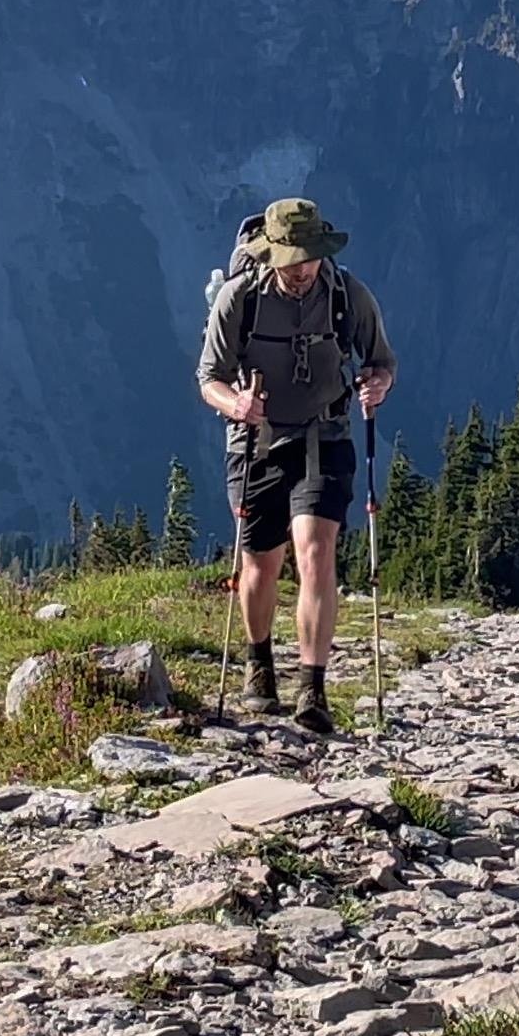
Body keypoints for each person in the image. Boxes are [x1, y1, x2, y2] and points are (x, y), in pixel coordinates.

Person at [196, 196, 394, 731]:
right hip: (257, 441)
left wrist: (378, 383)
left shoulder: (346, 295)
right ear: (271, 253)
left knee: (315, 549)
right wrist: (236, 404)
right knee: (262, 562)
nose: (303, 268)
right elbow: (209, 378)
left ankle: (313, 688)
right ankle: (259, 664)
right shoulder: (240, 299)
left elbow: (382, 361)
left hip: (325, 433)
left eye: (310, 257)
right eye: (293, 257)